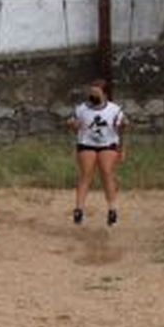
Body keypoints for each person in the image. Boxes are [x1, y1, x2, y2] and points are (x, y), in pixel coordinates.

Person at [69, 79, 126, 226]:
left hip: (108, 144)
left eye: (96, 93)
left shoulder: (114, 110)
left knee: (107, 172)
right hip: (86, 143)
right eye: (91, 92)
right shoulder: (81, 109)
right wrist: (73, 125)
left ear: (105, 94)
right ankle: (79, 209)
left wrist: (122, 147)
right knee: (86, 174)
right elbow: (73, 125)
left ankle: (112, 209)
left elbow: (121, 130)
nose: (92, 95)